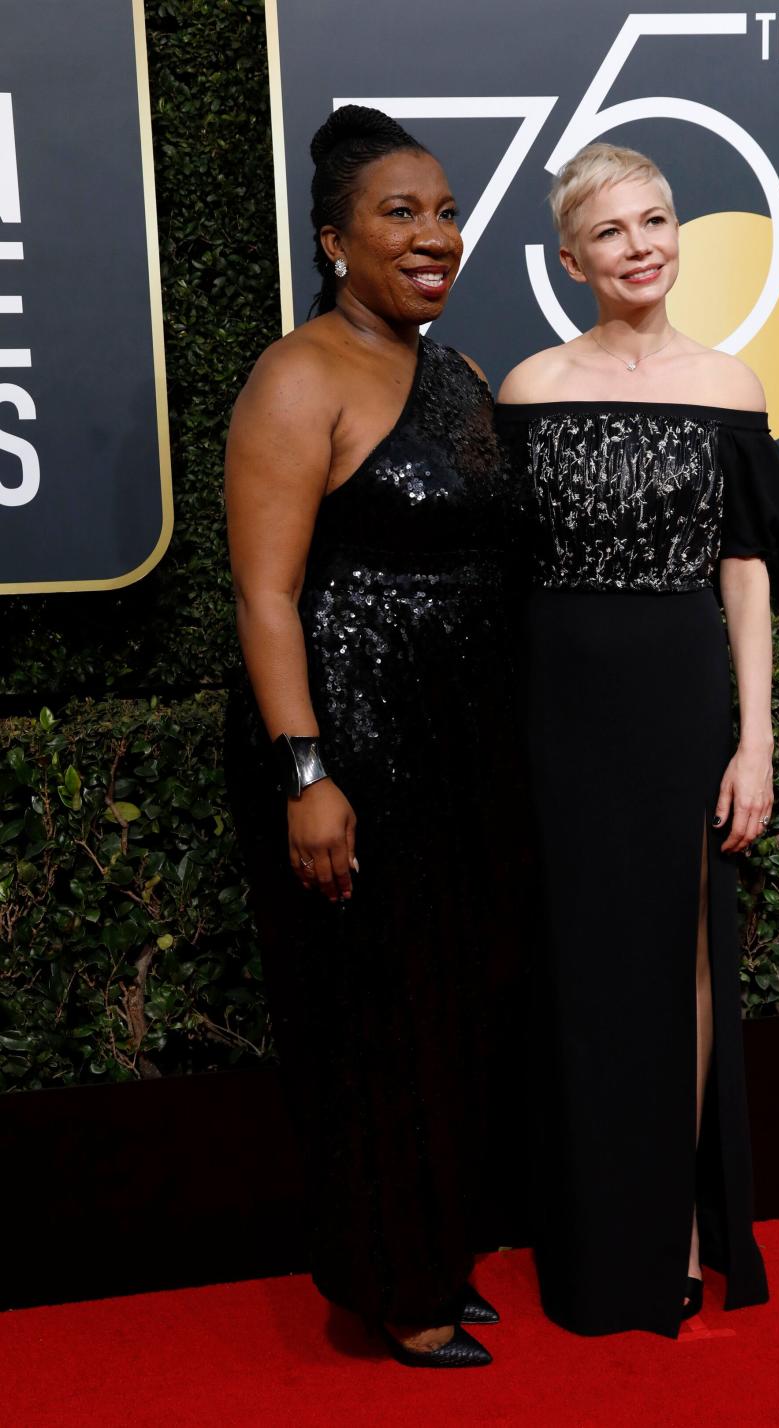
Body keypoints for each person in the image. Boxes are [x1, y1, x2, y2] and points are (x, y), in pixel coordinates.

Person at [224, 106, 529, 1368]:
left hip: (460, 746)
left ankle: (436, 1251)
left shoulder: (457, 373)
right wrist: (307, 773)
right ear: (336, 240)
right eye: (401, 213)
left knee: (446, 1003)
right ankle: (390, 1285)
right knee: (369, 1017)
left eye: (447, 210)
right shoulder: (298, 373)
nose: (436, 234)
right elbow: (265, 594)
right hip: (350, 739)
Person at [496, 142, 779, 1339]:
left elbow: (749, 577)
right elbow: (502, 580)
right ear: (572, 258)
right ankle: (585, 1221)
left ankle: (670, 1222)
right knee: (577, 961)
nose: (640, 245)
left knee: (686, 959)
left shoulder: (729, 384)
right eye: (610, 231)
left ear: (680, 233)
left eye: (656, 219)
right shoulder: (525, 387)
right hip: (556, 701)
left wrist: (754, 739)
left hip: (677, 698)